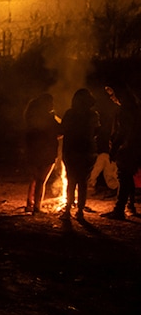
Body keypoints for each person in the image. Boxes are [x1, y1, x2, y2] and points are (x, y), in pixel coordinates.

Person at [101, 85, 141, 220]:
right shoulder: (134, 109)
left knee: (124, 176)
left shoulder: (125, 110)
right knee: (127, 176)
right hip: (132, 147)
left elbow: (123, 131)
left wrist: (115, 147)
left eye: (112, 95)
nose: (111, 98)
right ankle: (130, 206)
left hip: (127, 148)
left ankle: (119, 210)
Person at [61, 88, 100, 221]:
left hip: (71, 151)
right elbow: (96, 132)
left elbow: (62, 129)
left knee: (71, 181)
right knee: (83, 182)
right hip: (87, 151)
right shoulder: (93, 115)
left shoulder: (70, 114)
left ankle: (67, 210)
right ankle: (80, 211)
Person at [23, 94, 63, 214]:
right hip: (47, 152)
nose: (53, 105)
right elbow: (61, 131)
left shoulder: (31, 116)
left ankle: (29, 204)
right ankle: (36, 207)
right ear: (46, 104)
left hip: (33, 151)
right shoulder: (49, 118)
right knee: (41, 180)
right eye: (51, 102)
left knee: (34, 179)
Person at [88, 86, 120, 195]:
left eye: (113, 95)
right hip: (115, 157)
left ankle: (123, 200)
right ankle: (90, 184)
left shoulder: (127, 112)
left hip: (124, 156)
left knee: (121, 176)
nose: (112, 98)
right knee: (103, 157)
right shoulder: (117, 112)